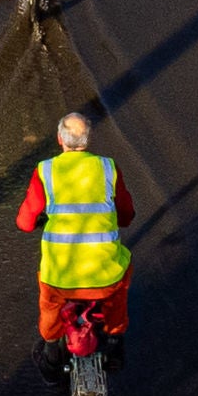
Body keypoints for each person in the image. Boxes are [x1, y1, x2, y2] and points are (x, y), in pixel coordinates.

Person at [19, 110, 132, 375]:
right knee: (119, 282)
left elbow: (25, 222)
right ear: (88, 141)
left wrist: (38, 220)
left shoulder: (45, 171)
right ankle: (114, 343)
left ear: (60, 138)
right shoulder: (108, 168)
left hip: (60, 280)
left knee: (49, 303)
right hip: (105, 279)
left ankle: (52, 356)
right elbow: (126, 215)